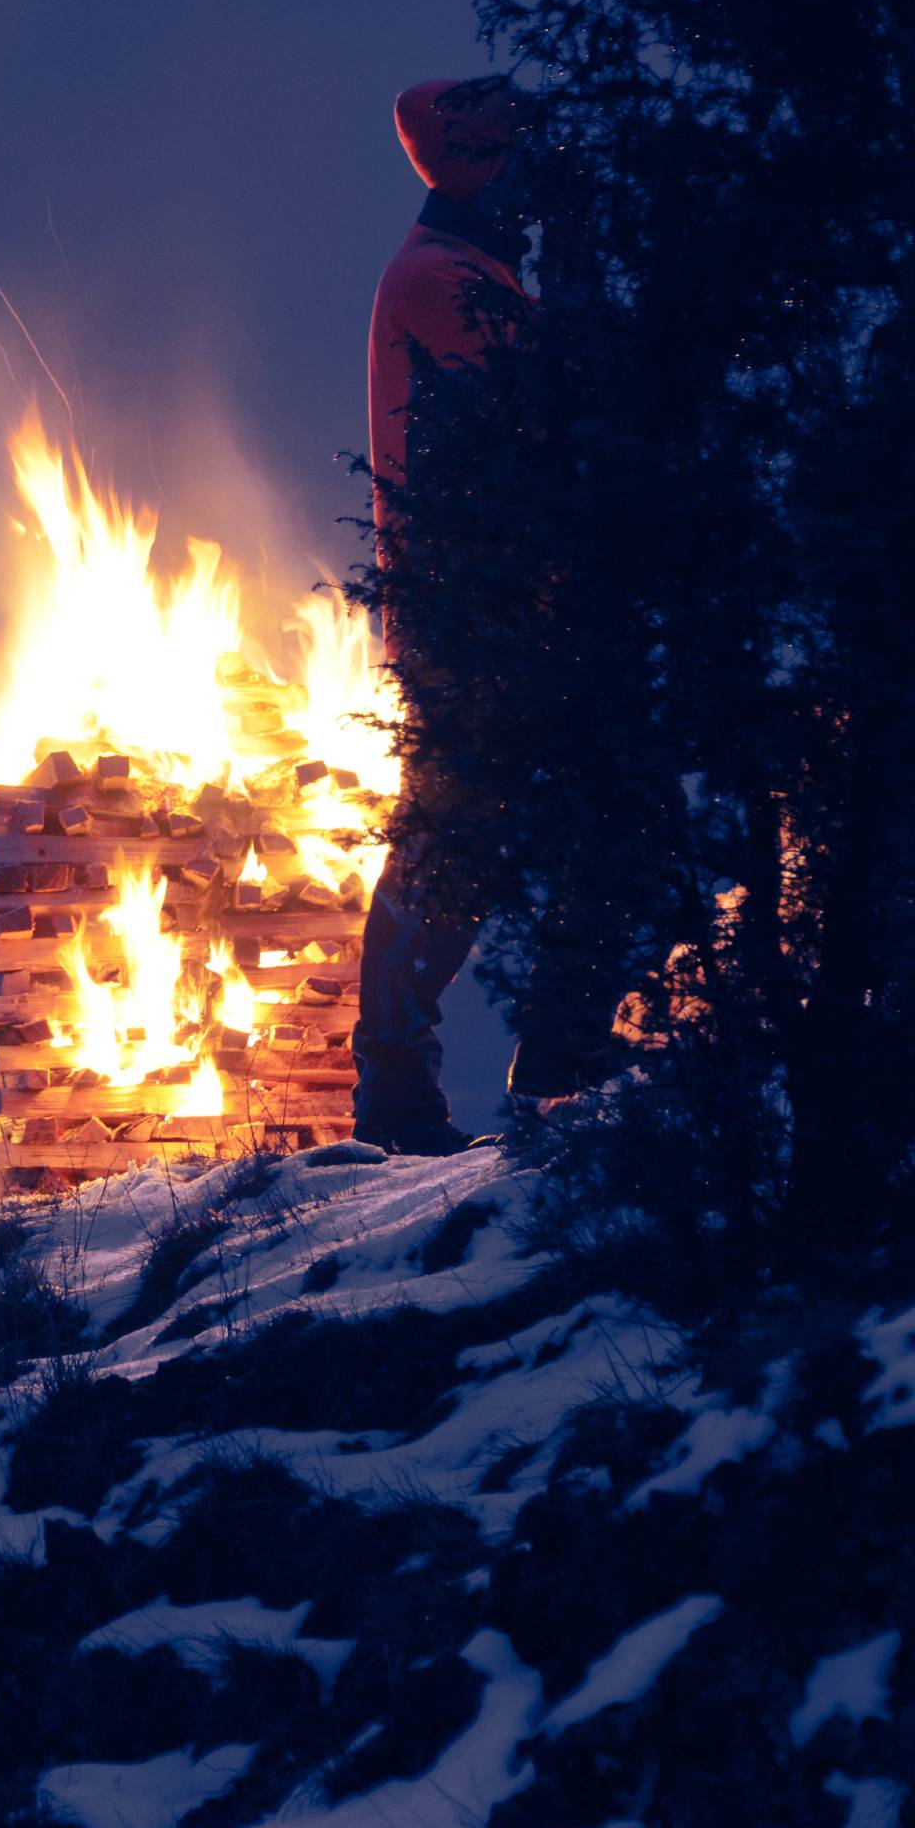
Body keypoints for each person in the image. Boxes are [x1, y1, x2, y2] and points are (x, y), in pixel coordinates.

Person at [352, 77, 560, 1150]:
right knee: (454, 837)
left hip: (503, 609)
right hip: (471, 618)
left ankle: (562, 1063)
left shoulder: (468, 272)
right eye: (515, 152)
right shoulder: (443, 281)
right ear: (478, 162)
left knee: (505, 828)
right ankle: (398, 1090)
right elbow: (547, 412)